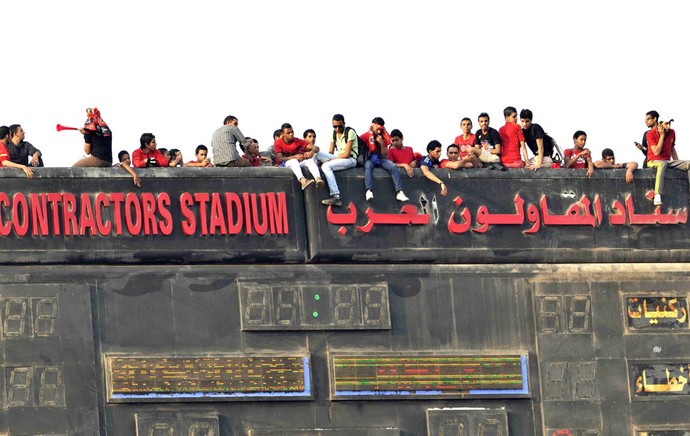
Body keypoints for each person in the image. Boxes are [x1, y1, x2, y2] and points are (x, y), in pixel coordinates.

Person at [645, 111, 690, 205]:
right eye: (666, 124)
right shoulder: (650, 134)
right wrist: (662, 136)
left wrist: (678, 163)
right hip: (653, 161)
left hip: (667, 161)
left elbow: (672, 148)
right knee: (662, 164)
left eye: (669, 124)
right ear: (660, 124)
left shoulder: (672, 132)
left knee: (688, 164)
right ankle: (658, 194)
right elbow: (656, 152)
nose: (668, 126)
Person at [359, 117, 408, 202]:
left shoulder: (383, 136)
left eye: (380, 129)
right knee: (368, 166)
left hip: (379, 159)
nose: (379, 131)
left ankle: (400, 192)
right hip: (369, 159)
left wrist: (381, 143)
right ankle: (368, 190)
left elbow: (385, 155)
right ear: (373, 126)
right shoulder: (366, 136)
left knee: (393, 166)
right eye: (377, 129)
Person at [317, 114, 358, 206]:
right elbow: (330, 152)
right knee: (317, 153)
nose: (337, 129)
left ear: (344, 124)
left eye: (340, 126)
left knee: (326, 166)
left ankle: (336, 196)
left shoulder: (350, 132)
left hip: (350, 159)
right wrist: (328, 158)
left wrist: (332, 160)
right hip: (338, 157)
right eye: (335, 126)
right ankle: (317, 177)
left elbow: (347, 153)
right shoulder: (333, 133)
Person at [275, 123, 323, 190]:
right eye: (288, 133)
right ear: (283, 134)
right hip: (284, 164)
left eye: (292, 132)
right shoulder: (278, 143)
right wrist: (295, 157)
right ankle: (303, 181)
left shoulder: (297, 140)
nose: (291, 134)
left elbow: (316, 148)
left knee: (309, 161)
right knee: (293, 161)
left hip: (297, 163)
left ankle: (318, 179)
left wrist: (311, 152)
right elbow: (280, 159)